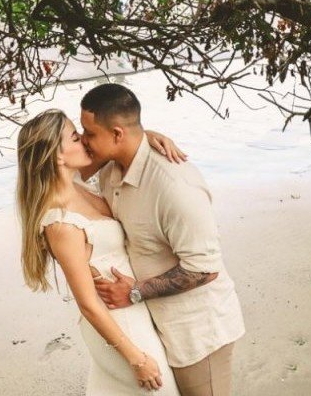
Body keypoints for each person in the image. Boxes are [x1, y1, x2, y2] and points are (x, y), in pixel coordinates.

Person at [82, 84, 244, 396]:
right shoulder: (110, 169)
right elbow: (62, 171)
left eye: (89, 133)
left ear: (117, 134)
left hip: (197, 333)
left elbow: (204, 268)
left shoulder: (175, 187)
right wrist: (144, 135)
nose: (84, 140)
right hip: (154, 325)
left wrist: (134, 292)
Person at [16, 109, 188, 393]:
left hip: (132, 309)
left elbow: (117, 144)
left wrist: (146, 136)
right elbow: (87, 302)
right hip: (118, 323)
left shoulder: (78, 184)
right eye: (75, 137)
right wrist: (135, 359)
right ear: (58, 156)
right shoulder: (61, 223)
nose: (84, 140)